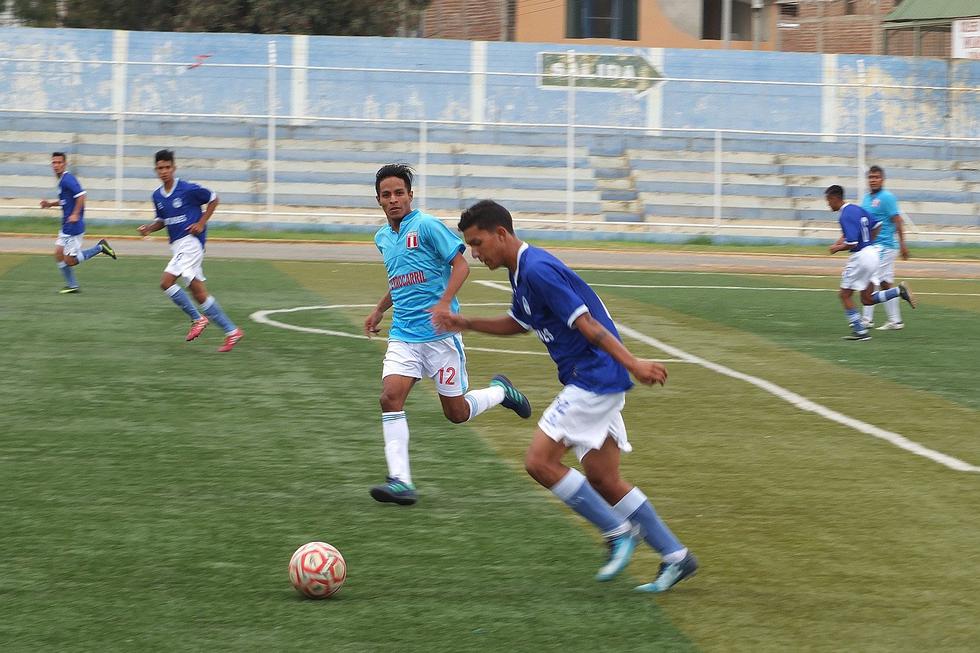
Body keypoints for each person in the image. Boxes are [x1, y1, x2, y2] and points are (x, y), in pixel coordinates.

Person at [431, 199, 696, 593]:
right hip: (593, 377)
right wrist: (467, 321)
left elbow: (587, 324)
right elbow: (520, 323)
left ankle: (617, 532)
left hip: (593, 377)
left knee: (539, 462)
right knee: (604, 478)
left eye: (478, 242)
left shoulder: (537, 270)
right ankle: (676, 557)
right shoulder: (521, 272)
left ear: (501, 234)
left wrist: (633, 363)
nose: (474, 253)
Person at [364, 165, 531, 507]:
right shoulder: (383, 237)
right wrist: (380, 309)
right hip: (404, 337)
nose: (393, 199)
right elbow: (401, 279)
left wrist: (444, 303)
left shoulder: (426, 226)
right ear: (378, 200)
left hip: (440, 337)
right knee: (389, 397)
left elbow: (462, 265)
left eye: (399, 193)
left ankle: (501, 391)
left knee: (456, 413)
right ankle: (400, 481)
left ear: (411, 195)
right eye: (386, 195)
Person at [136, 149, 243, 352]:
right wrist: (149, 228)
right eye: (160, 168)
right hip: (178, 246)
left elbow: (213, 198)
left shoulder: (187, 189)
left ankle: (197, 319)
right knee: (198, 292)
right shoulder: (157, 196)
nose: (164, 171)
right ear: (156, 170)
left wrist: (201, 222)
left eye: (168, 167)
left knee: (166, 282)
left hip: (191, 243)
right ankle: (232, 331)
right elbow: (163, 220)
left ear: (174, 168)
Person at [826, 185, 915, 341]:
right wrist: (868, 242)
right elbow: (877, 225)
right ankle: (898, 292)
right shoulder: (857, 209)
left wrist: (836, 248)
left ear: (834, 198)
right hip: (872, 254)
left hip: (860, 257)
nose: (828, 204)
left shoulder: (844, 215)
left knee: (844, 295)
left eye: (828, 201)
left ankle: (860, 332)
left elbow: (852, 243)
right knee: (867, 299)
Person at [40, 152, 116, 293]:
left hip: (73, 227)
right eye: (54, 162)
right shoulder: (62, 181)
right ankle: (72, 286)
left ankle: (100, 248)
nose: (56, 165)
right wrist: (50, 204)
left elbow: (81, 195)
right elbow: (65, 201)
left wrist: (75, 214)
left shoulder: (68, 179)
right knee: (58, 254)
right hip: (66, 226)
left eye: (59, 162)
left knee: (70, 261)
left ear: (65, 164)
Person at [860, 165, 910, 331]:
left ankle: (866, 320)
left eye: (876, 177)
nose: (873, 180)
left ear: (882, 179)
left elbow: (897, 220)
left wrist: (903, 244)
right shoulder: (866, 198)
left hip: (884, 245)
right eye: (871, 177)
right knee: (885, 284)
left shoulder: (887, 197)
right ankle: (895, 321)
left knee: (869, 279)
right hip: (874, 246)